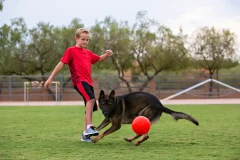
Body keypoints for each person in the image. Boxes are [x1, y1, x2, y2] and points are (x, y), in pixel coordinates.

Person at [44, 28, 113, 142]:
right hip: (79, 81)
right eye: (83, 39)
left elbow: (99, 59)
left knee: (90, 106)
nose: (85, 42)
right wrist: (51, 78)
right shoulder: (71, 51)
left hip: (88, 82)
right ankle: (89, 127)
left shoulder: (87, 53)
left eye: (87, 40)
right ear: (76, 38)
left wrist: (107, 54)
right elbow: (61, 64)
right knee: (91, 99)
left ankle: (85, 135)